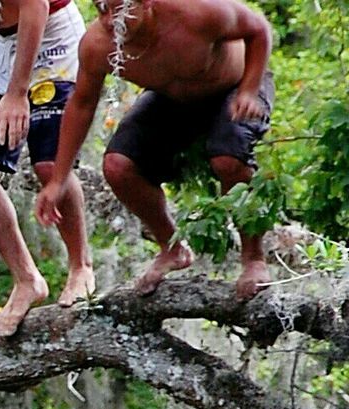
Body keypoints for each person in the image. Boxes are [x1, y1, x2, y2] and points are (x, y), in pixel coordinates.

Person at [35, 0, 274, 300]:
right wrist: (58, 180)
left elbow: (258, 29)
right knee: (117, 166)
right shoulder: (97, 46)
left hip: (234, 86)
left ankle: (253, 257)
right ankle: (171, 246)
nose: (111, 20)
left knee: (227, 159)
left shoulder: (196, 12)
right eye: (101, 9)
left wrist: (249, 90)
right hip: (171, 99)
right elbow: (81, 105)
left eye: (119, 9)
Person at [0, 0, 96, 337]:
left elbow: (36, 6)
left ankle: (80, 265)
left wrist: (17, 92)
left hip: (50, 34)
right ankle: (27, 278)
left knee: (49, 165)